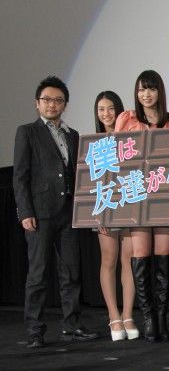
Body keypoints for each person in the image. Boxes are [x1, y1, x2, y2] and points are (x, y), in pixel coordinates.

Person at [13, 76, 98, 348]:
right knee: (38, 274)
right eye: (47, 100)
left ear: (65, 105)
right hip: (40, 213)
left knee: (70, 273)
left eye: (58, 100)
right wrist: (25, 211)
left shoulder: (73, 135)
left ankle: (71, 325)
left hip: (69, 212)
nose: (52, 104)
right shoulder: (27, 132)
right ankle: (34, 330)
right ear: (37, 103)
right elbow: (20, 176)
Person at [115, 70, 169, 342]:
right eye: (141, 89)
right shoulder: (127, 119)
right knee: (140, 254)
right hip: (136, 195)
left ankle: (161, 317)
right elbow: (116, 156)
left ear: (159, 91)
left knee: (163, 254)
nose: (146, 95)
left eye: (151, 89)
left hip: (165, 197)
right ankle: (148, 318)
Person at [93, 91, 138, 341]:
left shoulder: (130, 139)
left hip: (130, 202)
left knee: (128, 259)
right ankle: (114, 316)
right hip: (104, 206)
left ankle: (128, 314)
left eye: (111, 108)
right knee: (108, 260)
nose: (106, 114)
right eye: (101, 109)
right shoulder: (93, 143)